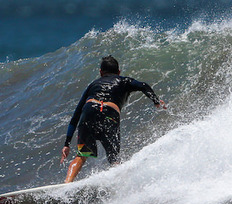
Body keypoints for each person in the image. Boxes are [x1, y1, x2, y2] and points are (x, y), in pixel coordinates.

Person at [60, 55, 167, 183]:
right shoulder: (124, 81)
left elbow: (76, 114)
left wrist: (67, 143)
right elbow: (143, 85)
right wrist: (156, 101)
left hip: (89, 113)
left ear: (100, 72)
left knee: (81, 156)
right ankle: (119, 187)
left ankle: (67, 183)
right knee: (114, 159)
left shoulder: (93, 85)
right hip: (109, 115)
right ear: (119, 72)